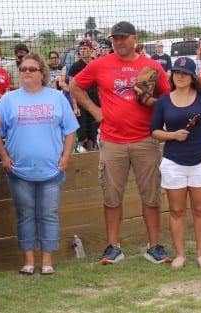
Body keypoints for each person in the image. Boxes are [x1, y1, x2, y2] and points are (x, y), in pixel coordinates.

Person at [69, 21, 172, 265]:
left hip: (146, 139)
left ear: (135, 38)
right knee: (112, 196)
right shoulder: (100, 64)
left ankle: (154, 246)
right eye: (115, 38)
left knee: (152, 196)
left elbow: (167, 98)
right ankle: (113, 247)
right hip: (112, 140)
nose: (118, 42)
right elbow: (74, 86)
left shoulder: (151, 65)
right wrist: (96, 111)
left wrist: (151, 102)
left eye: (123, 38)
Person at [0, 52, 78, 275]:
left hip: (52, 170)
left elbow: (70, 130)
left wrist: (66, 157)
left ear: (42, 73)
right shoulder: (9, 100)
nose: (27, 72)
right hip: (19, 171)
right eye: (23, 69)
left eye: (32, 69)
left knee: (48, 214)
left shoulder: (57, 97)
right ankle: (28, 261)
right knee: (25, 215)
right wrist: (4, 157)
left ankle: (47, 261)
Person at [150, 57, 201, 269]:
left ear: (192, 77)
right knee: (177, 210)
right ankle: (180, 254)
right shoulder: (163, 101)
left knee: (200, 209)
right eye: (176, 72)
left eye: (184, 73)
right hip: (173, 162)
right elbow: (154, 131)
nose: (180, 76)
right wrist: (172, 135)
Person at [68, 39, 99, 151]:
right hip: (82, 103)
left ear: (91, 50)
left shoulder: (97, 63)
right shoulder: (75, 66)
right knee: (82, 133)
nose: (83, 51)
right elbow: (72, 88)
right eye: (80, 49)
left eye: (85, 49)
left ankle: (91, 154)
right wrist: (75, 107)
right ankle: (80, 154)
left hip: (96, 103)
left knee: (93, 133)